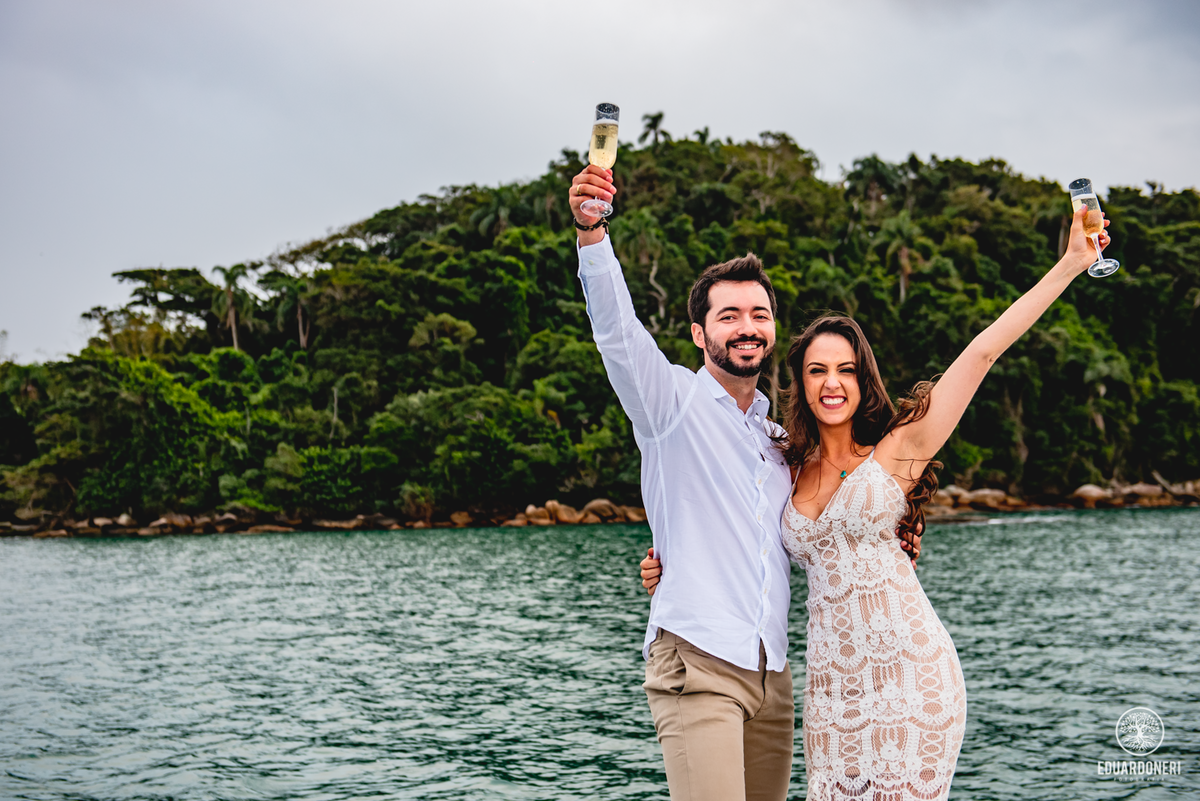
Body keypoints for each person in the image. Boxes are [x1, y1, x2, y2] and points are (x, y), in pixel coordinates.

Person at [640, 201, 1112, 799]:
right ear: (800, 382)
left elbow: (984, 352)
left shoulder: (898, 451)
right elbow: (724, 518)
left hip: (911, 673)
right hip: (833, 691)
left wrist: (1070, 264)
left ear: (863, 379)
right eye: (816, 370)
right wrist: (666, 563)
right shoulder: (782, 460)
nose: (831, 382)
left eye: (845, 369)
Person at [570, 164, 922, 801]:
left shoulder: (780, 442)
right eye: (728, 315)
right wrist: (593, 236)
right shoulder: (668, 404)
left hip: (773, 674)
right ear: (702, 334)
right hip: (698, 660)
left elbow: (828, 513)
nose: (747, 326)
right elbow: (617, 333)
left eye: (758, 314)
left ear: (772, 331)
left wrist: (895, 531)